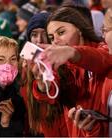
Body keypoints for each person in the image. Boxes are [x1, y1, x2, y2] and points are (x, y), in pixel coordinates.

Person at [31, 6, 112, 137]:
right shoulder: (64, 67)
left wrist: (72, 52)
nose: (55, 41)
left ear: (79, 29)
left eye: (61, 32)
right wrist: (42, 83)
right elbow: (50, 96)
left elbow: (103, 60)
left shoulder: (102, 49)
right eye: (51, 37)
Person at [20, 12, 68, 137]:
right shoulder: (24, 65)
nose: (39, 40)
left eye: (44, 34)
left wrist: (42, 85)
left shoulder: (62, 64)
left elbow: (53, 97)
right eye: (34, 34)